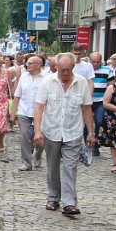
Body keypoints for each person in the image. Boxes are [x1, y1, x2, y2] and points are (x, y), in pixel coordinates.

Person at [34, 53, 97, 217]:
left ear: (73, 68)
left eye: (68, 70)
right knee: (52, 167)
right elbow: (39, 107)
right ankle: (54, 197)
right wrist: (37, 130)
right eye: (61, 70)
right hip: (51, 131)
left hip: (73, 132)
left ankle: (69, 203)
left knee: (70, 167)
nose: (64, 74)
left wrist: (91, 132)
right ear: (56, 67)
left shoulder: (81, 83)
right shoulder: (47, 81)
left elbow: (86, 108)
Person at [11, 55, 46, 171]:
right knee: (25, 136)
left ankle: (38, 155)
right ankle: (26, 162)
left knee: (40, 137)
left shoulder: (47, 78)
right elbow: (17, 95)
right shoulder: (24, 77)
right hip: (24, 111)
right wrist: (13, 113)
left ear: (38, 65)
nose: (27, 65)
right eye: (27, 63)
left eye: (30, 63)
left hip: (41, 113)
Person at [98, 64, 116, 173]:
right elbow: (105, 103)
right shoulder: (112, 88)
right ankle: (115, 164)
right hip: (113, 119)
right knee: (114, 142)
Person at [90, 52, 112, 157]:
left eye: (97, 62)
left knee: (99, 121)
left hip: (100, 101)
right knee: (86, 123)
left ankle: (96, 144)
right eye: (93, 62)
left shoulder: (107, 70)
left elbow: (111, 84)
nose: (95, 64)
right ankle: (88, 144)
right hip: (88, 101)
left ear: (101, 61)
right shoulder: (87, 70)